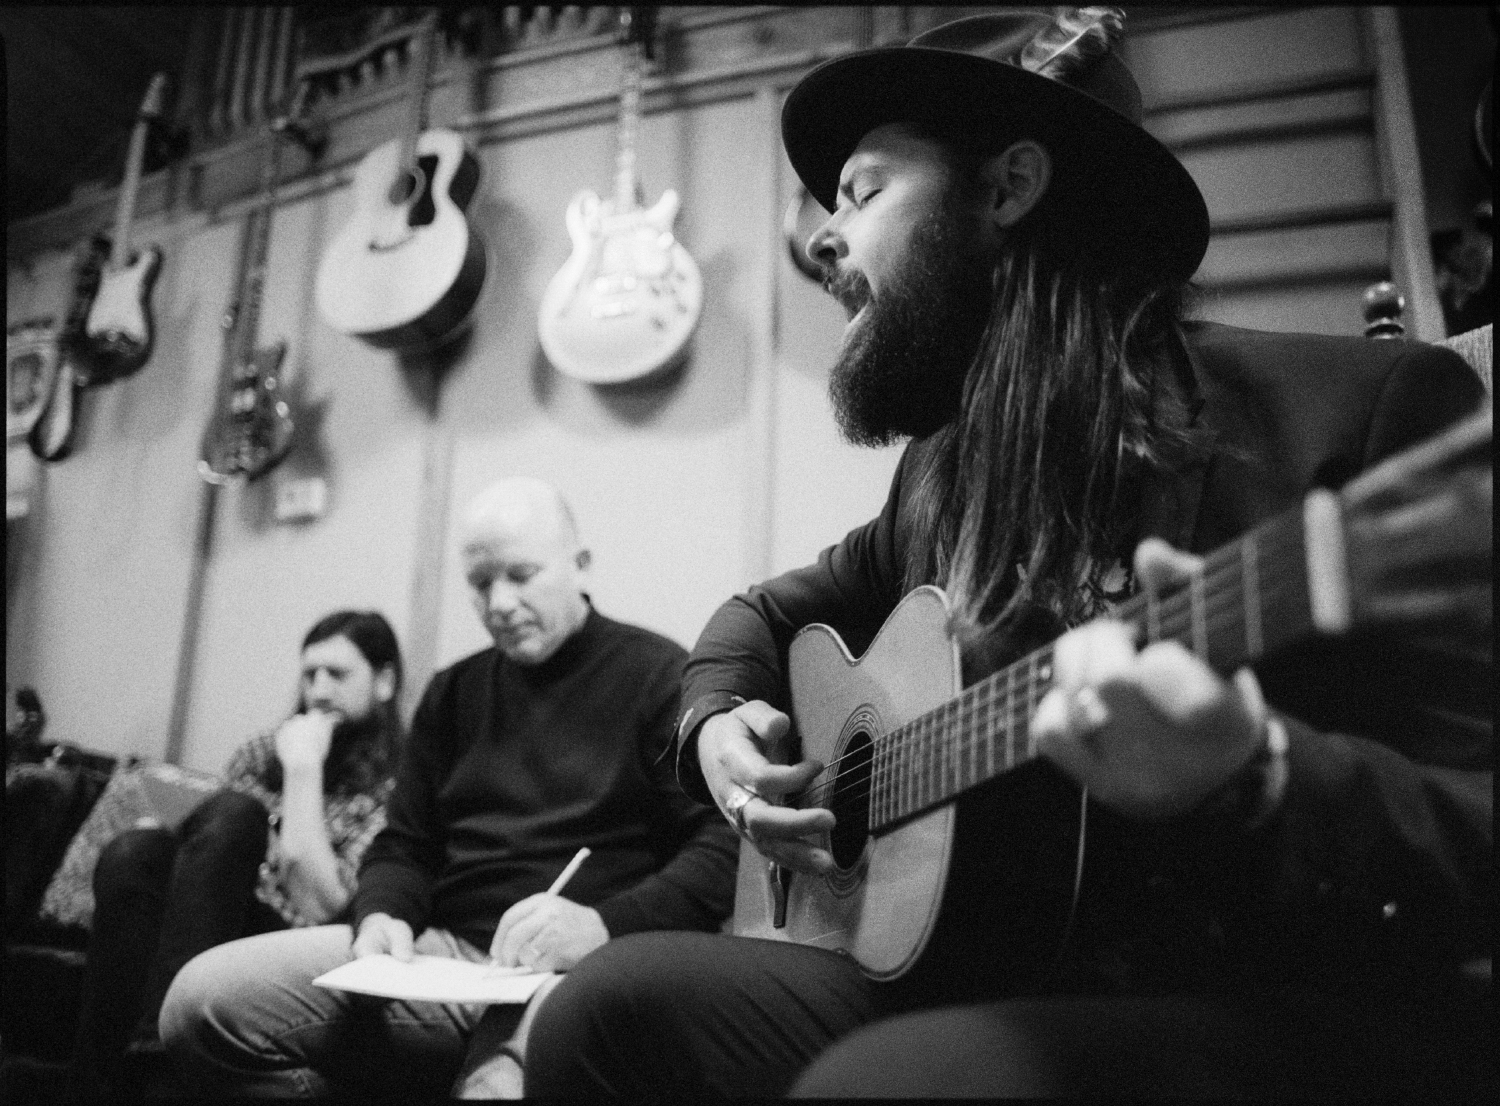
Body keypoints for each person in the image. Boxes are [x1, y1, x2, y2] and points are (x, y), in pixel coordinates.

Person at [523, 9, 1493, 1100]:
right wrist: (716, 726)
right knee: (601, 1011)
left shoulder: (1360, 414)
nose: (822, 242)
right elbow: (762, 615)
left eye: (864, 191)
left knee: (887, 1081)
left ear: (1007, 189)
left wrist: (1257, 772)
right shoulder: (941, 476)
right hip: (994, 965)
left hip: (1276, 1000)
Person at [159, 476, 738, 1098]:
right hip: (443, 955)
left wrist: (600, 925)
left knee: (494, 1088)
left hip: (578, 966)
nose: (499, 603)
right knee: (197, 1003)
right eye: (480, 583)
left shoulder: (658, 676)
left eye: (521, 574)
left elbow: (719, 851)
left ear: (581, 566)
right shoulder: (452, 692)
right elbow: (405, 844)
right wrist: (380, 911)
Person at [64, 609, 402, 1100]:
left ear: (384, 682)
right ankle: (97, 1081)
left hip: (296, 946)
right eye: (310, 674)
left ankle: (163, 1062)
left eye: (338, 674)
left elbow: (322, 905)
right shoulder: (262, 753)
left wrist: (303, 772)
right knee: (136, 853)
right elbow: (209, 858)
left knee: (239, 813)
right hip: (209, 922)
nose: (320, 690)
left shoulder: (397, 783)